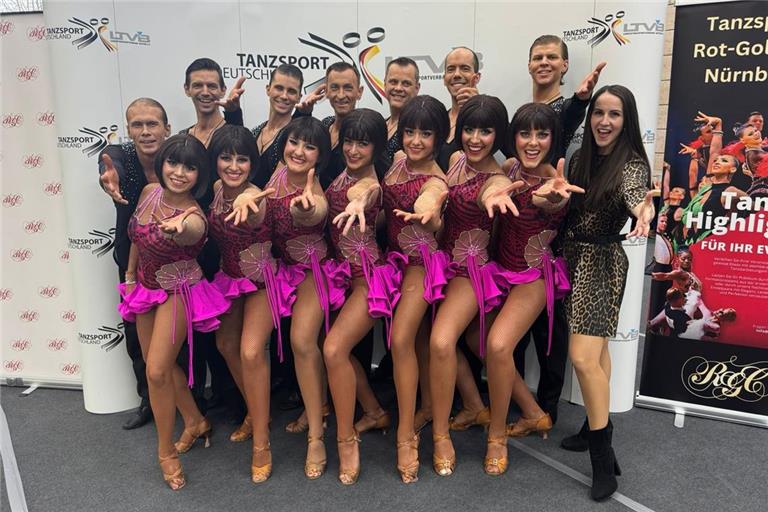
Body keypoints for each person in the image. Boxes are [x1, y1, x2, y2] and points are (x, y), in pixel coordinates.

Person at [116, 134, 230, 490]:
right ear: (162, 162)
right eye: (173, 163)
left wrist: (181, 228)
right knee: (159, 368)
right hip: (145, 290)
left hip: (179, 292)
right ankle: (196, 421)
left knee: (156, 370)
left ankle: (166, 451)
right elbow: (135, 235)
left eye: (190, 167)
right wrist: (130, 275)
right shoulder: (149, 191)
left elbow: (192, 231)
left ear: (200, 174)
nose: (179, 173)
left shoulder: (195, 215)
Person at [562, 85, 655, 501]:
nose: (603, 121)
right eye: (598, 112)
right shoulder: (581, 159)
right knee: (596, 353)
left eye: (614, 114)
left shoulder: (632, 164)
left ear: (626, 120)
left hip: (601, 264)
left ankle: (603, 456)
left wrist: (645, 210)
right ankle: (589, 427)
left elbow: (638, 198)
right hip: (572, 259)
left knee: (582, 356)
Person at [481, 103, 578, 476]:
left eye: (542, 134)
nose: (533, 142)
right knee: (480, 341)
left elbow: (547, 200)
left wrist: (551, 197)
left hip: (534, 277)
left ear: (553, 139)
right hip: (498, 272)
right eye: (525, 133)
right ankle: (535, 414)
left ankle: (496, 437)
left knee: (499, 346)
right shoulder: (508, 169)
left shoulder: (558, 183)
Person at [514, 35, 605, 427]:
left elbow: (561, 126)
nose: (545, 63)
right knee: (512, 333)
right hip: (515, 241)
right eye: (538, 57)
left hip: (557, 237)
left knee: (551, 332)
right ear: (529, 63)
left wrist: (582, 102)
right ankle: (511, 400)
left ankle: (546, 407)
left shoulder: (572, 114)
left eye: (553, 57)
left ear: (565, 66)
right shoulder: (521, 115)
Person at [428, 94, 511, 473]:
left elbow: (490, 194)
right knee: (480, 345)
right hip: (441, 264)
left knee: (442, 342)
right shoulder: (456, 159)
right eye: (469, 129)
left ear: (498, 134)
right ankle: (494, 409)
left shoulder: (495, 178)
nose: (475, 138)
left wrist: (493, 195)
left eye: (486, 130)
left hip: (471, 271)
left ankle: (449, 435)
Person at [262, 116, 344, 479]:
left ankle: (316, 436)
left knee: (302, 340)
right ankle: (320, 407)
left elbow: (317, 209)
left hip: (315, 270)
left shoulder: (315, 187)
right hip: (282, 271)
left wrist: (306, 209)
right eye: (294, 142)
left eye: (310, 146)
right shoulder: (276, 173)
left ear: (320, 157)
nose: (299, 151)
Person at [323, 108, 398, 484]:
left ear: (376, 147)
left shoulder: (367, 181)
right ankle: (372, 410)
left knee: (334, 350)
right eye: (349, 141)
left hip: (369, 278)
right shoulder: (342, 172)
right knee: (338, 349)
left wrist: (359, 200)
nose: (353, 149)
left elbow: (365, 193)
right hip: (343, 277)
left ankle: (346, 439)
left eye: (363, 143)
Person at [382, 95, 451, 483]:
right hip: (393, 264)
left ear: (440, 137)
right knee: (419, 342)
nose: (416, 141)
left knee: (401, 340)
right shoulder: (394, 164)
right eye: (410, 131)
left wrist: (430, 213)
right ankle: (426, 410)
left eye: (426, 133)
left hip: (423, 266)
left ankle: (407, 435)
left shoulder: (437, 180)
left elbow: (432, 203)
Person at [99, 98, 170, 430]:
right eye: (137, 125)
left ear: (166, 129)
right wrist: (105, 169)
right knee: (136, 338)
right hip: (131, 266)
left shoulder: (177, 159)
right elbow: (109, 160)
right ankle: (149, 403)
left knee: (179, 337)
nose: (145, 131)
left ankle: (192, 399)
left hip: (174, 264)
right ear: (128, 130)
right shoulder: (121, 159)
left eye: (152, 124)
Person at [205, 125, 274, 446]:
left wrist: (247, 199)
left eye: (242, 159)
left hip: (262, 282)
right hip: (229, 278)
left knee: (250, 351)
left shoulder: (255, 195)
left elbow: (254, 208)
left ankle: (262, 442)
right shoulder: (217, 187)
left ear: (252, 164)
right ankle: (256, 413)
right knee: (226, 347)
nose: (234, 166)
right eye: (226, 158)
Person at [383, 58, 421, 161]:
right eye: (393, 82)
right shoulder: (380, 124)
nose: (398, 88)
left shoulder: (418, 129)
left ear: (417, 88)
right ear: (385, 84)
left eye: (406, 84)